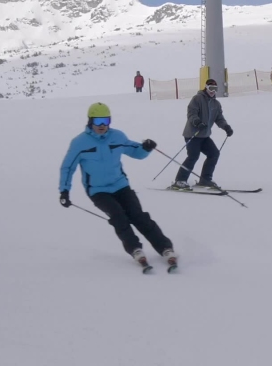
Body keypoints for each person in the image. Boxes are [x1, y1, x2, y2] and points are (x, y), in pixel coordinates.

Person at [59, 102, 178, 269]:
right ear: (90, 121)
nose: (102, 125)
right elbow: (68, 167)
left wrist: (146, 148)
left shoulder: (117, 137)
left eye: (105, 121)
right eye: (98, 121)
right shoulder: (80, 143)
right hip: (98, 191)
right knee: (119, 217)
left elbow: (136, 152)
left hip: (120, 186)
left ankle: (165, 248)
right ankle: (135, 249)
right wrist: (64, 190)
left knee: (138, 216)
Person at [171, 79, 233, 191]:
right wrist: (197, 122)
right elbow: (191, 113)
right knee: (193, 156)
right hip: (193, 134)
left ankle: (205, 179)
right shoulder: (197, 99)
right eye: (210, 88)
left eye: (215, 89)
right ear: (206, 88)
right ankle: (180, 180)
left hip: (204, 136)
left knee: (214, 154)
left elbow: (219, 119)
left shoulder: (216, 104)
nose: (212, 91)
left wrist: (226, 127)